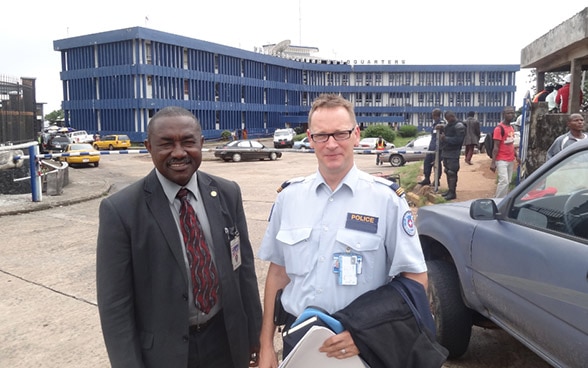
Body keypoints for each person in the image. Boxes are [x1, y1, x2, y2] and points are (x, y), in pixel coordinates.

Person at [257, 94, 428, 367]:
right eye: (322, 136)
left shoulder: (386, 200)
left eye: (341, 133)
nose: (332, 144)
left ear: (356, 134)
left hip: (360, 347)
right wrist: (266, 345)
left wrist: (369, 332)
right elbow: (277, 274)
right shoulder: (288, 198)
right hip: (298, 341)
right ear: (310, 139)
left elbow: (416, 279)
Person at [96, 106, 262, 368]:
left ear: (201, 144)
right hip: (163, 354)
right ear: (149, 147)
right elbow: (115, 305)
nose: (179, 152)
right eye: (166, 144)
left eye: (188, 142)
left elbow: (244, 270)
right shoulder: (121, 211)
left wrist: (255, 335)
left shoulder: (228, 193)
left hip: (226, 343)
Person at [490, 106, 519, 198]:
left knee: (508, 181)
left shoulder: (511, 127)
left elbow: (511, 143)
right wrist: (493, 162)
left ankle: (503, 199)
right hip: (501, 159)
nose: (511, 115)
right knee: (504, 181)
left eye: (512, 113)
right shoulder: (499, 129)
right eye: (508, 113)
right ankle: (497, 201)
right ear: (503, 114)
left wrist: (516, 155)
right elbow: (496, 147)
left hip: (510, 159)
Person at [438, 111, 465, 200]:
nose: (448, 121)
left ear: (452, 116)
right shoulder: (449, 125)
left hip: (453, 152)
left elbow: (459, 140)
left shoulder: (459, 126)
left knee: (452, 172)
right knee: (447, 171)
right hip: (446, 151)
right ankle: (450, 190)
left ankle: (453, 193)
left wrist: (445, 138)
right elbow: (446, 130)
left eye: (448, 118)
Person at [417, 108, 444, 186]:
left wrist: (441, 126)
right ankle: (427, 179)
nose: (432, 116)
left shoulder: (441, 123)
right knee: (427, 163)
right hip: (431, 147)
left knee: (437, 164)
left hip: (438, 148)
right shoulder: (434, 124)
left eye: (432, 114)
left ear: (435, 115)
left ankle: (436, 180)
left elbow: (445, 127)